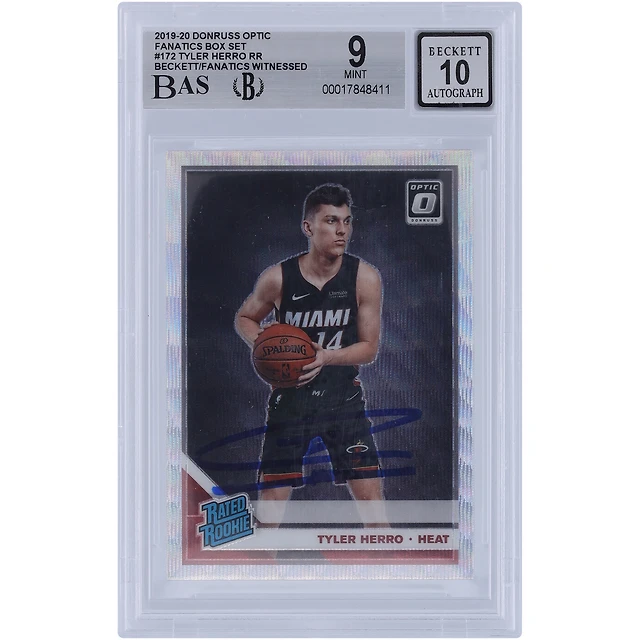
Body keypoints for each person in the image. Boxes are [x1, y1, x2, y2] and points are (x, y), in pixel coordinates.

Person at [235, 183, 386, 527]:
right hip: (291, 402)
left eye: (347, 221)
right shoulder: (278, 278)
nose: (342, 230)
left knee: (374, 509)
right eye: (331, 221)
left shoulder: (364, 278)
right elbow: (246, 317)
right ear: (308, 227)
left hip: (342, 400)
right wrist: (266, 344)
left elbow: (369, 348)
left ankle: (387, 561)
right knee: (269, 511)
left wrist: (326, 357)